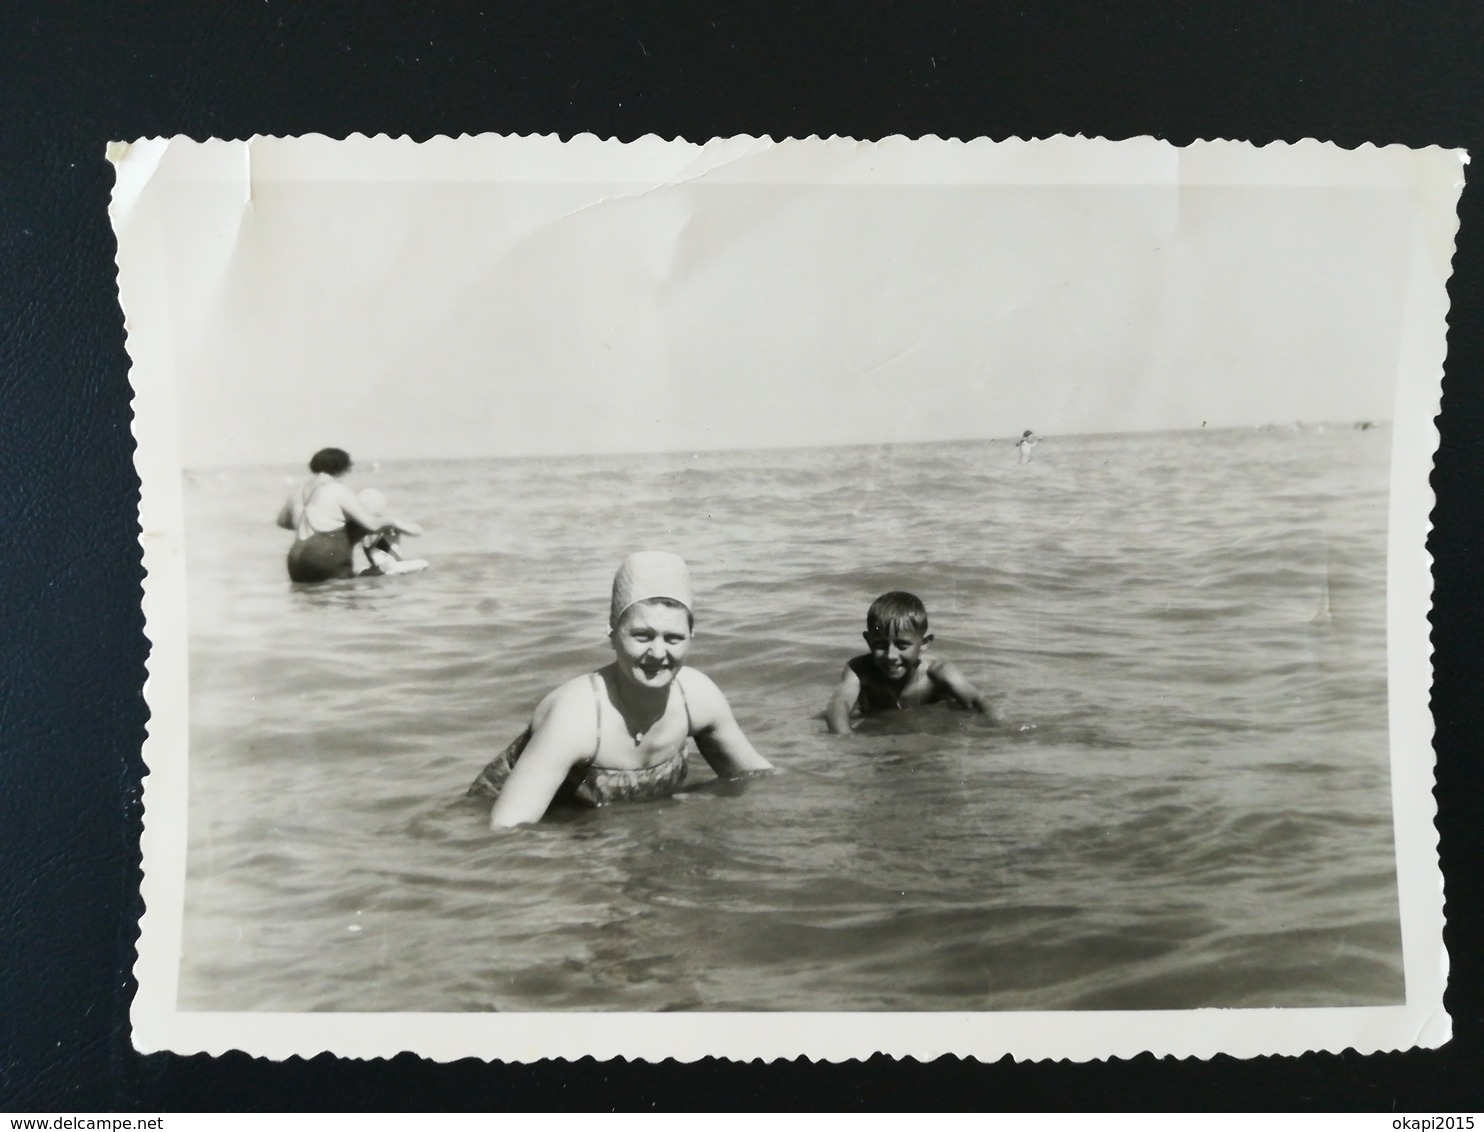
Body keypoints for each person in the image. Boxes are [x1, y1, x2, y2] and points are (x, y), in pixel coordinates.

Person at [470, 551, 774, 827]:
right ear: (612, 633)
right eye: (642, 636)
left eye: (673, 638)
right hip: (503, 827)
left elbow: (758, 778)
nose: (658, 653)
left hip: (610, 834)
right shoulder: (577, 716)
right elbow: (506, 832)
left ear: (691, 635)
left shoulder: (696, 697)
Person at [825, 590, 999, 734]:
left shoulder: (938, 671)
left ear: (924, 643)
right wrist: (847, 740)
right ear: (868, 640)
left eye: (902, 645)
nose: (891, 655)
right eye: (880, 644)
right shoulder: (859, 669)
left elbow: (977, 701)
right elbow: (838, 704)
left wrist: (1001, 728)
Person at [275, 447, 397, 583]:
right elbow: (372, 524)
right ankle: (382, 562)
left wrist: (306, 522)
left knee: (312, 599)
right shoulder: (336, 489)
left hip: (295, 561)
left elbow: (281, 521)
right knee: (371, 501)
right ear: (342, 468)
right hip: (325, 558)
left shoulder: (298, 490)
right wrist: (398, 523)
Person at [353, 488, 427, 576]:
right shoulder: (379, 525)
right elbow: (417, 531)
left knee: (423, 563)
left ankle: (379, 569)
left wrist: (395, 524)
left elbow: (417, 531)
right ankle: (380, 568)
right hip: (386, 568)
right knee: (424, 563)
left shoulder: (382, 524)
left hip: (387, 567)